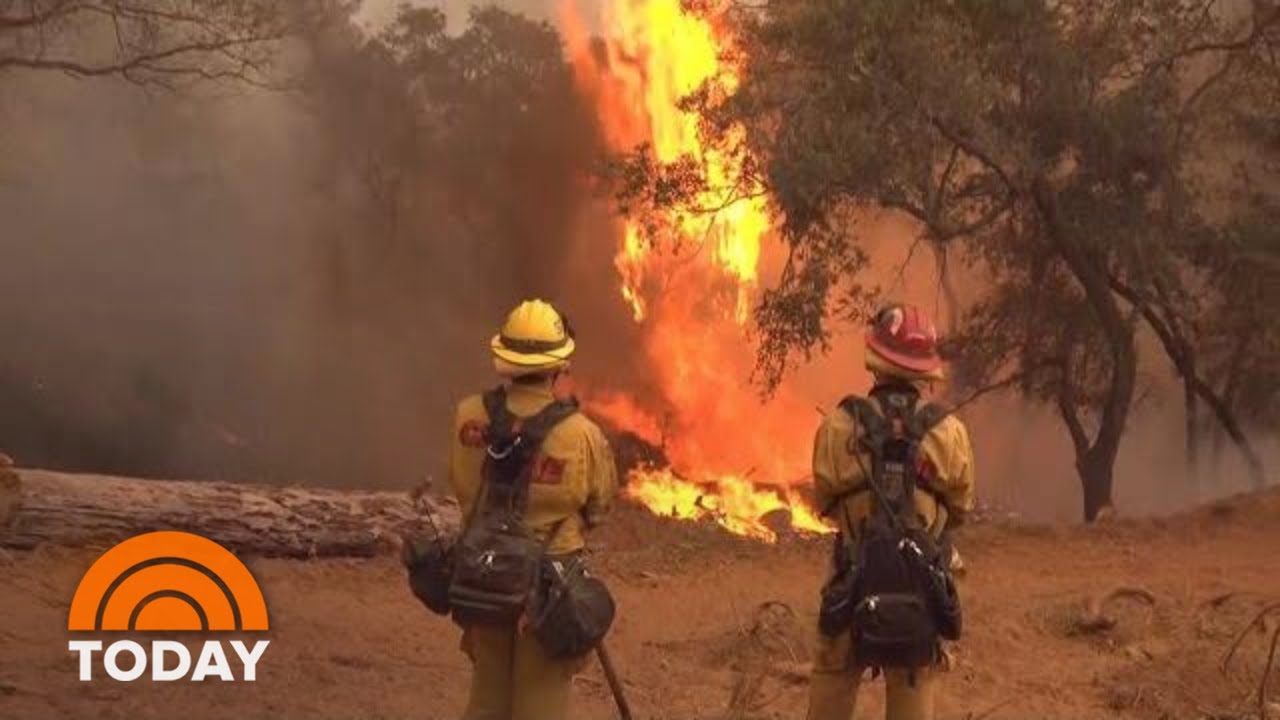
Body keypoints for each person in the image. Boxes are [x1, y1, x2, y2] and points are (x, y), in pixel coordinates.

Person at [448, 299, 617, 720]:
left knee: (486, 701)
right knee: (540, 704)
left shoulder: (468, 417)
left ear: (504, 358)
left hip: (482, 575)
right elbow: (599, 506)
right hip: (548, 589)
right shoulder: (580, 434)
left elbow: (463, 487)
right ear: (559, 365)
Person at [807, 303, 976, 720]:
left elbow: (825, 503)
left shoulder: (838, 426)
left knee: (832, 670)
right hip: (919, 589)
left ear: (875, 358)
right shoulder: (950, 433)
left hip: (852, 581)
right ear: (926, 369)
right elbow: (959, 509)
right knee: (914, 675)